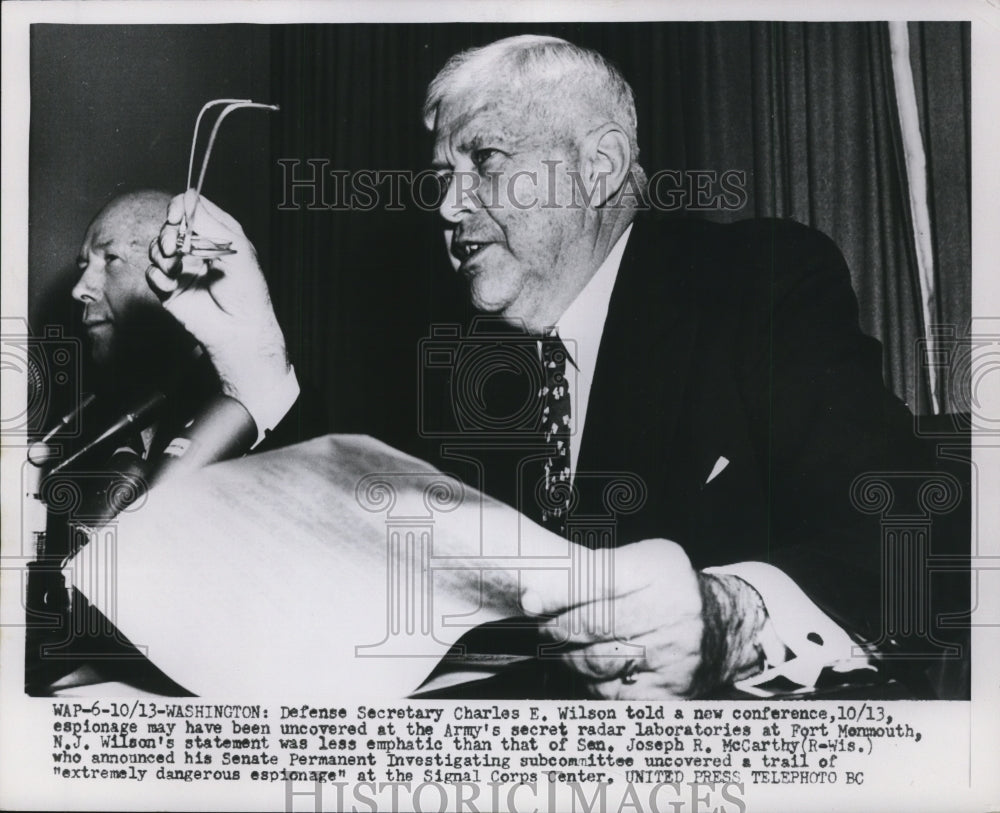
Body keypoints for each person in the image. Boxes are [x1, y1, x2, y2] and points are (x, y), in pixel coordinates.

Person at [145, 35, 952, 699]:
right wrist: (256, 359)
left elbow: (907, 524)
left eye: (485, 160)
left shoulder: (754, 283)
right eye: (439, 178)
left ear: (599, 165)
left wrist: (727, 615)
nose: (448, 206)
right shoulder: (472, 356)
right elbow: (364, 553)